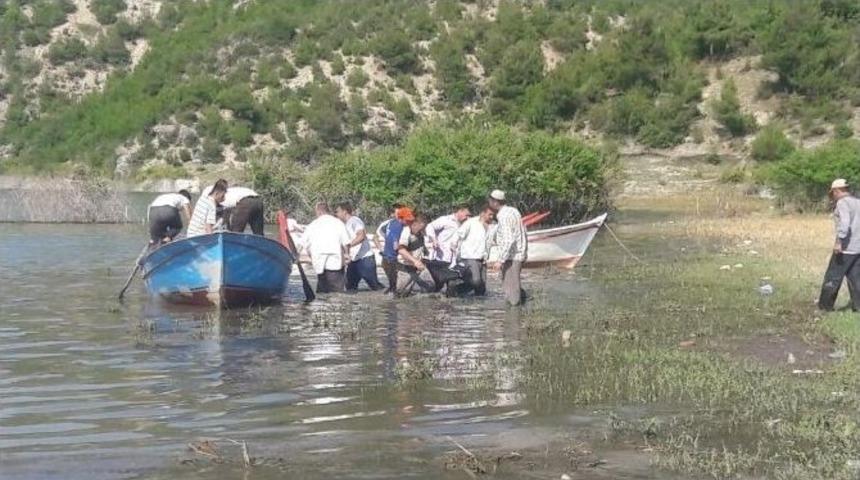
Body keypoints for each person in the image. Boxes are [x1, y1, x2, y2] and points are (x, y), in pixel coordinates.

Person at [819, 179, 860, 311]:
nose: (833, 196)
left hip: (845, 248)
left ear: (837, 190)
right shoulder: (857, 202)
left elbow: (845, 223)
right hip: (857, 248)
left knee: (833, 277)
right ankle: (858, 307)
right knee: (856, 279)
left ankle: (825, 307)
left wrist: (839, 242)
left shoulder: (842, 203)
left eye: (833, 193)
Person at [488, 189, 528, 306]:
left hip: (511, 256)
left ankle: (513, 316)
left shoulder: (503, 216)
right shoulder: (514, 211)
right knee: (515, 285)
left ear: (495, 202)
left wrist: (500, 260)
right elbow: (522, 231)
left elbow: (508, 239)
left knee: (510, 287)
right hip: (519, 253)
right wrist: (525, 251)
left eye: (491, 200)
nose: (489, 202)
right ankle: (519, 307)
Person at [302, 202, 350, 293]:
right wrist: (347, 254)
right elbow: (346, 242)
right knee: (336, 288)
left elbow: (304, 243)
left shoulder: (313, 224)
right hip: (334, 259)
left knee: (322, 286)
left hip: (318, 260)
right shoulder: (338, 223)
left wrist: (307, 254)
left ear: (318, 212)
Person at [336, 201, 384, 291]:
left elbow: (361, 236)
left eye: (338, 211)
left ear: (344, 211)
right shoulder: (346, 224)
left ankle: (389, 299)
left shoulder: (355, 220)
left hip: (365, 259)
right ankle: (352, 304)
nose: (336, 214)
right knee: (350, 286)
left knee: (374, 285)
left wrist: (348, 246)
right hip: (354, 260)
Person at [453, 206, 494, 296]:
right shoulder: (471, 222)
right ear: (483, 213)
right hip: (470, 256)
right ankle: (455, 290)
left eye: (492, 215)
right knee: (476, 281)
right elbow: (459, 234)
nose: (491, 217)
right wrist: (454, 244)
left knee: (482, 287)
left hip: (483, 258)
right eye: (489, 214)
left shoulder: (492, 227)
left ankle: (478, 307)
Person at [395, 213, 435, 296]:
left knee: (430, 287)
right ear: (416, 224)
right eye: (423, 227)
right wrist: (415, 261)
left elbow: (418, 244)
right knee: (401, 294)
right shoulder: (406, 232)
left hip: (419, 266)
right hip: (405, 267)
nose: (424, 229)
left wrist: (425, 250)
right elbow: (401, 250)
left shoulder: (419, 232)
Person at [381, 206, 410, 294]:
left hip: (385, 258)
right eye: (408, 219)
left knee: (392, 284)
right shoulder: (400, 226)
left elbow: (383, 230)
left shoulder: (391, 222)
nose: (409, 222)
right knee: (397, 288)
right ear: (401, 218)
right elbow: (396, 246)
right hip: (392, 260)